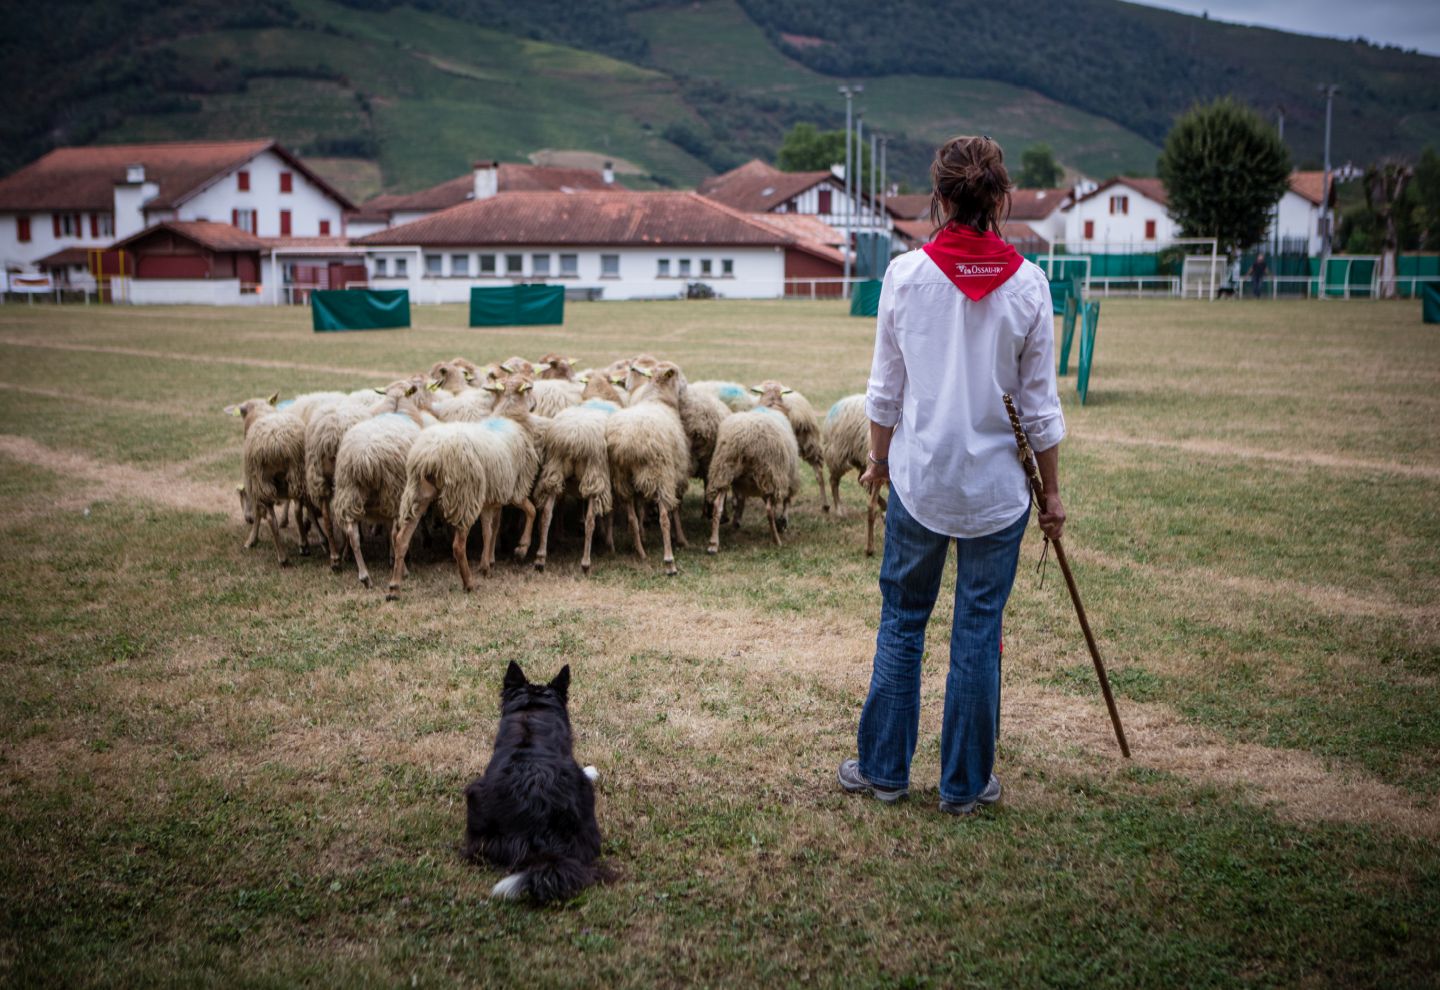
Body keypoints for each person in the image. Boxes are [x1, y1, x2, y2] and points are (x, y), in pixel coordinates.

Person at [838, 135, 1066, 816]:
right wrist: (1052, 492)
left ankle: (882, 771)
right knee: (977, 629)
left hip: (921, 481)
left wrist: (878, 461)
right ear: (1001, 198)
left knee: (904, 620)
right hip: (997, 494)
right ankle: (965, 786)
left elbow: (884, 391)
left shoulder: (906, 277)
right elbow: (1041, 408)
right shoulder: (1028, 284)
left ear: (939, 197)